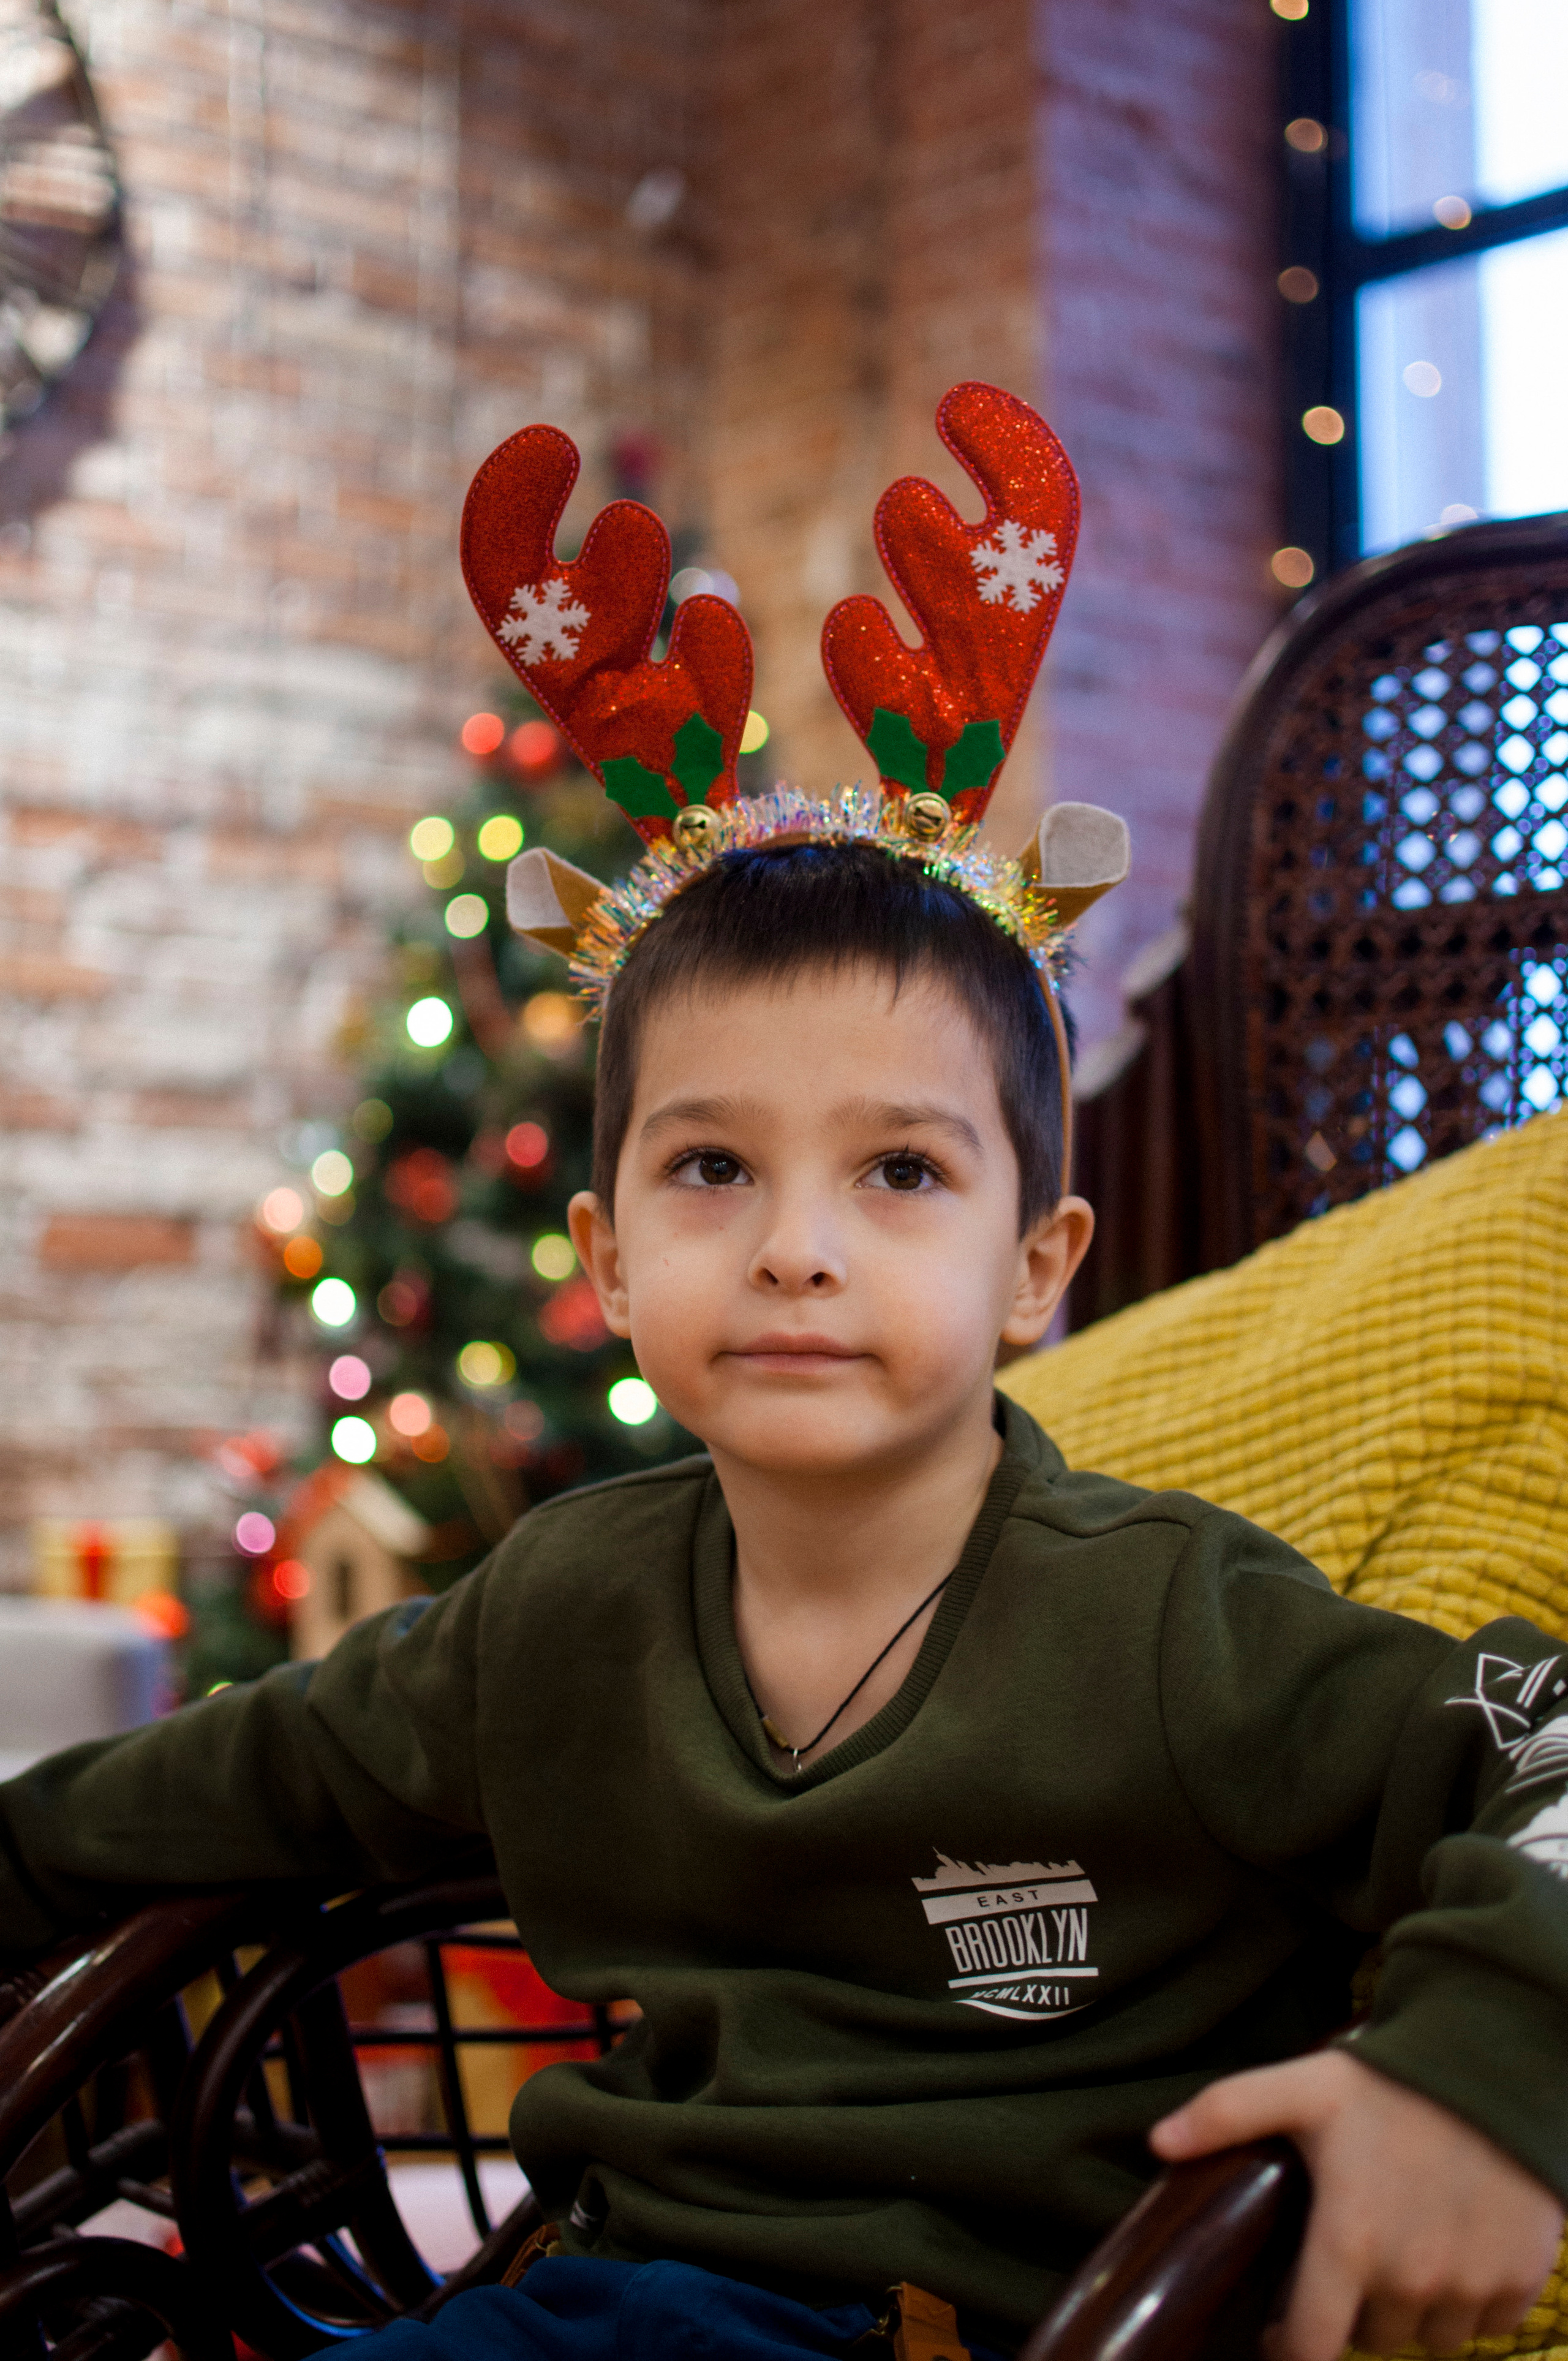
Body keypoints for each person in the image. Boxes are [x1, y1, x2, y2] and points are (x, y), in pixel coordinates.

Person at [4, 391, 1566, 2361]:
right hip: (601, 2306)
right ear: (607, 1258)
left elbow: (1549, 1746)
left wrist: (1480, 2069)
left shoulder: (1173, 1622)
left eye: (900, 1171)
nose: (796, 1244)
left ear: (1036, 1269)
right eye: (712, 1167)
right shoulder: (551, 1618)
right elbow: (182, 1800)